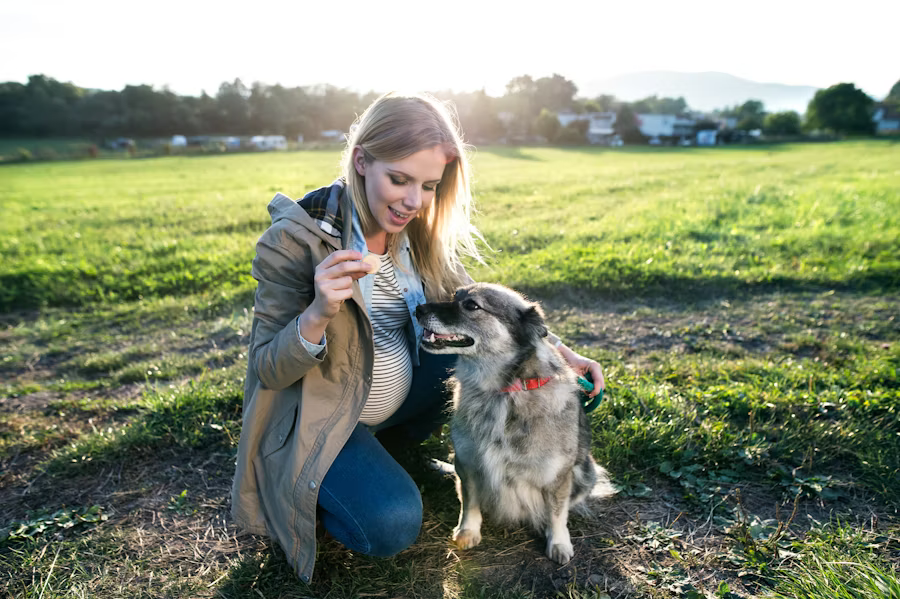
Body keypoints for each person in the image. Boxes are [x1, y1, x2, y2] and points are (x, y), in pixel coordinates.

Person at [230, 91, 605, 583]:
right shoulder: (292, 242)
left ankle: (391, 449)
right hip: (325, 422)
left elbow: (482, 316)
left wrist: (558, 352)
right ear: (361, 161)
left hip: (400, 407)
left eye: (429, 185)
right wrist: (318, 313)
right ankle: (310, 486)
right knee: (392, 524)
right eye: (399, 179)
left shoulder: (416, 231)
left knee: (483, 346)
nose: (413, 201)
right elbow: (267, 369)